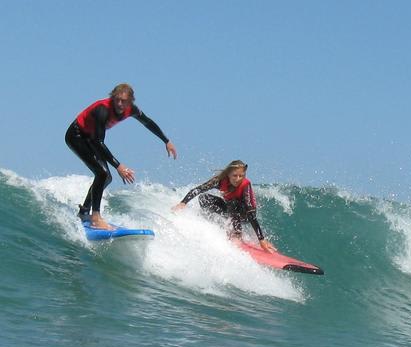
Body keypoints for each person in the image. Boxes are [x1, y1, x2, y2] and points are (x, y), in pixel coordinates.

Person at [66, 83, 177, 229]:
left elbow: (147, 122)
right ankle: (96, 217)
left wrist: (166, 140)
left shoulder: (132, 110)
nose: (119, 103)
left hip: (92, 138)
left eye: (123, 101)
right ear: (112, 97)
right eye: (117, 99)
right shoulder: (102, 110)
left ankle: (84, 212)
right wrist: (119, 166)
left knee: (106, 177)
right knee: (101, 173)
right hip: (77, 135)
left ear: (130, 101)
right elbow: (98, 142)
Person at [173, 160, 277, 252]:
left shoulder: (245, 185)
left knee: (233, 202)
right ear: (228, 174)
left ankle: (237, 234)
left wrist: (261, 240)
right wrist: (183, 203)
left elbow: (251, 213)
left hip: (246, 213)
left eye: (241, 176)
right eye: (235, 175)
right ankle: (222, 225)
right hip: (231, 211)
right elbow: (199, 189)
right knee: (204, 198)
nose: (238, 179)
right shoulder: (219, 181)